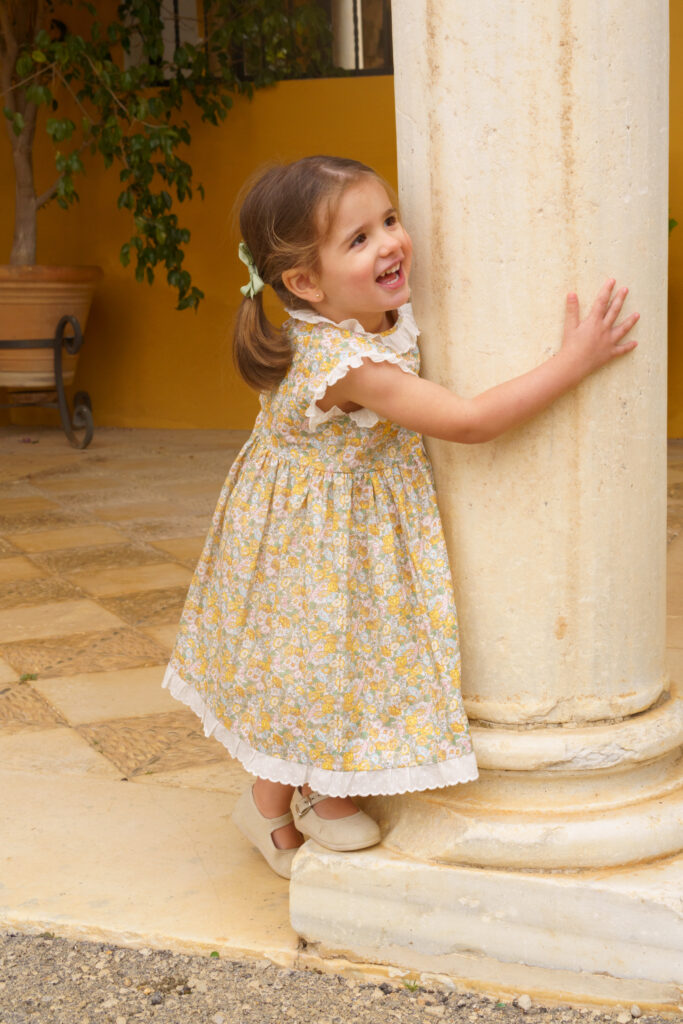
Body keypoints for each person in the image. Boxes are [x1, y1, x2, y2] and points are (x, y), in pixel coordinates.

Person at [162, 155, 638, 880]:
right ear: (306, 283)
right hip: (311, 542)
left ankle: (324, 788)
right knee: (313, 667)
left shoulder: (365, 319)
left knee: (346, 661)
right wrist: (573, 360)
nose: (390, 242)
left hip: (339, 525)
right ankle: (267, 802)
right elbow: (470, 421)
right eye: (358, 239)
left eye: (388, 220)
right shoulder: (346, 361)